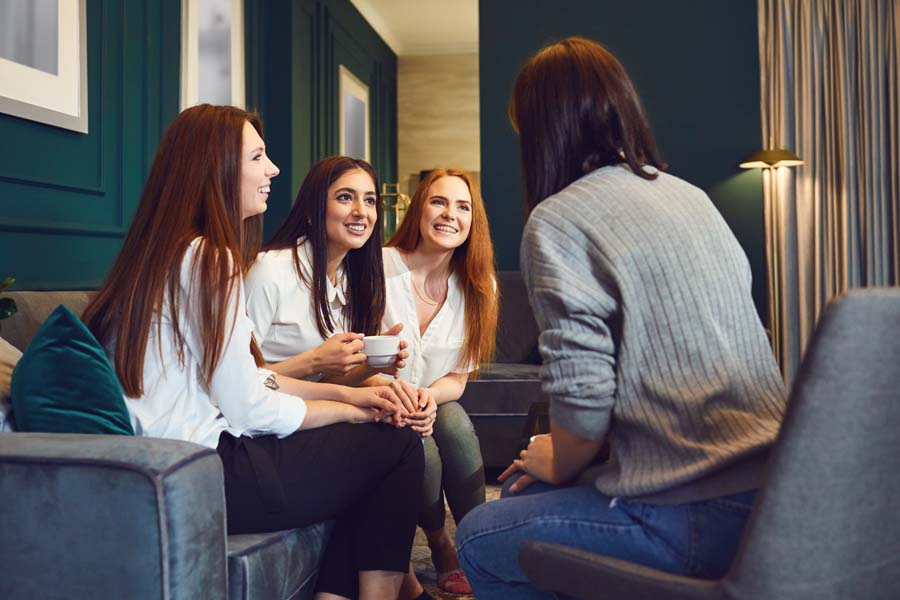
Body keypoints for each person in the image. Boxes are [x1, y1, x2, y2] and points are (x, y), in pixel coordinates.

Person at [455, 37, 787, 598]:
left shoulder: (558, 220)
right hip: (771, 495)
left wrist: (561, 456)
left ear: (541, 132)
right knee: (521, 495)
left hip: (687, 510)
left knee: (476, 535)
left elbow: (583, 408)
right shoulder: (691, 197)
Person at [82, 104, 424, 600]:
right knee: (397, 442)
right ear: (216, 167)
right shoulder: (210, 259)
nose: (274, 170)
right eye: (258, 157)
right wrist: (350, 412)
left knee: (368, 448)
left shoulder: (167, 253)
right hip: (205, 473)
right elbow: (251, 408)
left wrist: (352, 397)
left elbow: (250, 377)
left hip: (179, 464)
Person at [383, 169, 499, 598]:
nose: (450, 214)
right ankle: (439, 542)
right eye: (439, 202)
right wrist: (404, 400)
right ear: (419, 209)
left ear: (473, 221)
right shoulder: (378, 265)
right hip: (377, 400)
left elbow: (457, 379)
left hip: (433, 401)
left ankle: (477, 543)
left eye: (462, 207)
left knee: (455, 424)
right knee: (424, 449)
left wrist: (428, 398)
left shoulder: (479, 285)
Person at [245, 156, 410, 391]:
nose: (361, 212)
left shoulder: (348, 278)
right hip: (262, 412)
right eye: (345, 197)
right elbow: (236, 382)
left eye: (370, 200)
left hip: (308, 407)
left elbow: (321, 385)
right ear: (312, 210)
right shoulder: (269, 271)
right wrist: (314, 361)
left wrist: (371, 365)